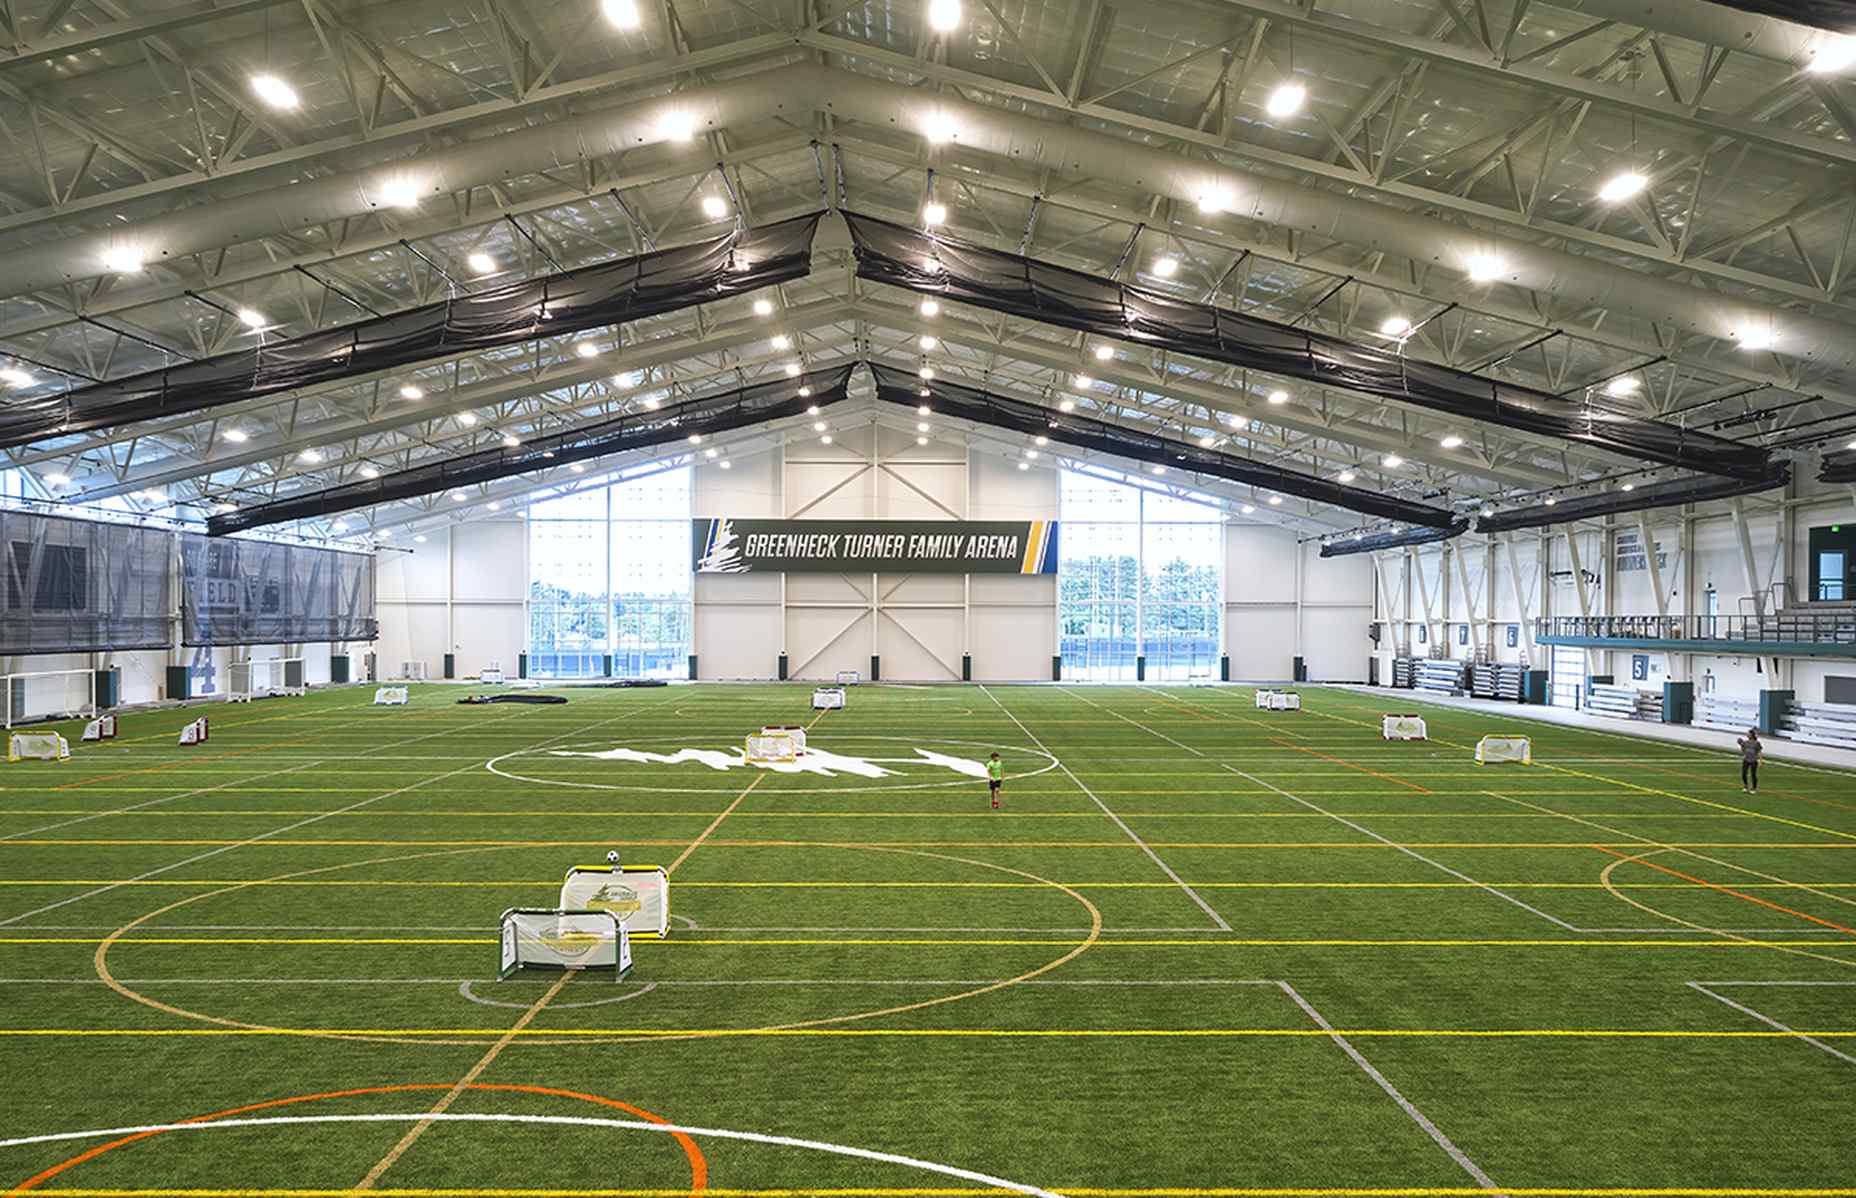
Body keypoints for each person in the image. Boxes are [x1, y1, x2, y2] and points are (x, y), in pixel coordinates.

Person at [1736, 727, 1764, 794]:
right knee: (1743, 774)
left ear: (1752, 735)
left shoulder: (1756, 743)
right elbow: (1743, 751)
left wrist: (1761, 761)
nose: (1747, 735)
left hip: (1753, 760)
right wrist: (1740, 744)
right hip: (1746, 760)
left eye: (1748, 734)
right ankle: (1745, 786)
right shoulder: (1745, 742)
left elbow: (1759, 752)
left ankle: (1754, 788)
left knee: (1753, 775)